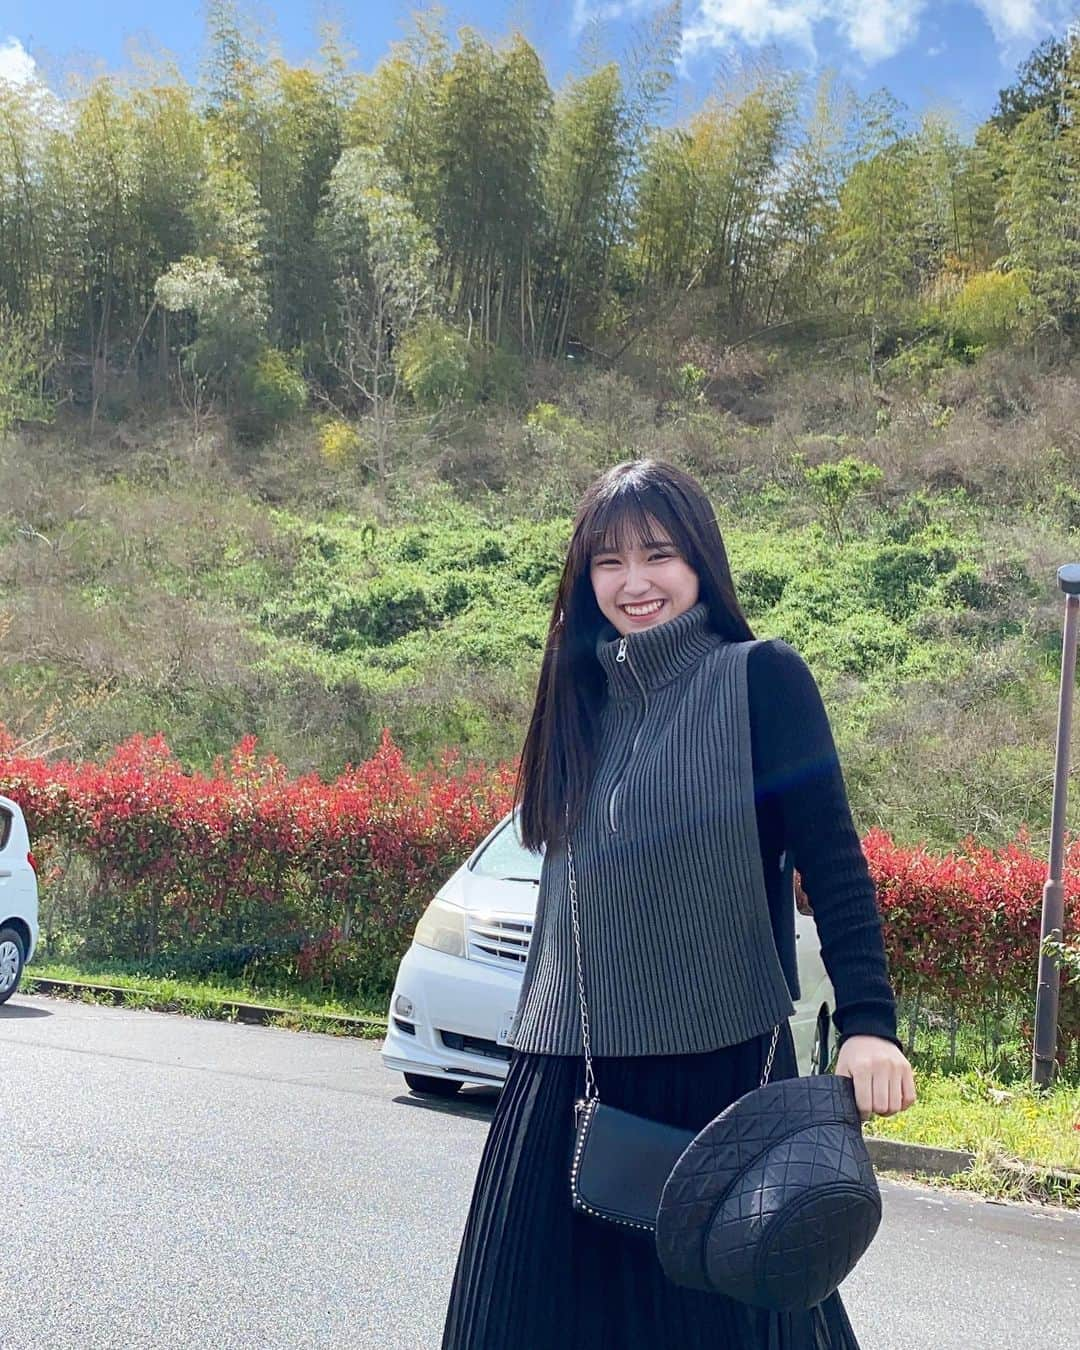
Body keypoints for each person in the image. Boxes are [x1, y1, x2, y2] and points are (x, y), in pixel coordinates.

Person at [442, 459, 916, 1349]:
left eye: (657, 554)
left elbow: (835, 863)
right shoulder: (576, 702)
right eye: (608, 563)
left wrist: (871, 1024)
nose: (633, 583)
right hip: (560, 1081)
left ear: (700, 561)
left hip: (720, 1074)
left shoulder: (759, 680)